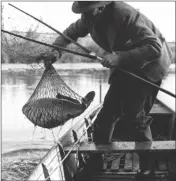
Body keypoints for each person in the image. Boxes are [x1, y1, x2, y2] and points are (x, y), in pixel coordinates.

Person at [44, 1, 172, 176]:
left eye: (88, 11)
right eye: (83, 11)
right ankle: (96, 162)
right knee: (106, 115)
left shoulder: (124, 14)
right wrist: (55, 52)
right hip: (125, 63)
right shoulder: (88, 17)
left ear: (101, 7)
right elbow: (68, 34)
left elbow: (154, 47)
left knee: (134, 115)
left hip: (149, 64)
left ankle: (146, 166)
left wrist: (119, 58)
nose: (85, 16)